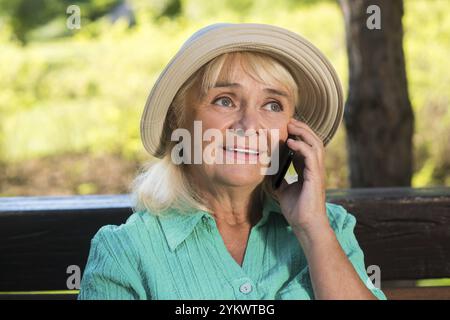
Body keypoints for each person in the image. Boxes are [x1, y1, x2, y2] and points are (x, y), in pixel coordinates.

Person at [78, 23, 387, 300]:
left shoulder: (329, 226)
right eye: (224, 100)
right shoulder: (126, 252)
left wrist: (312, 229)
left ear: (293, 132)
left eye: (272, 104)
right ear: (179, 122)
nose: (249, 125)